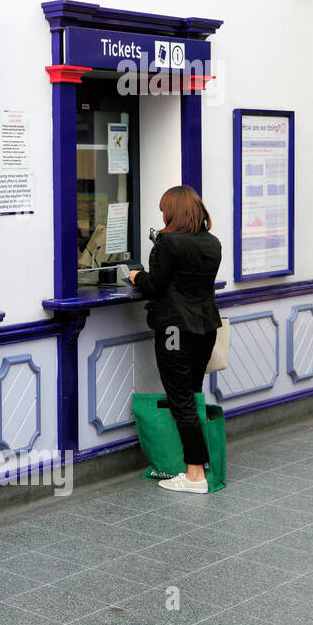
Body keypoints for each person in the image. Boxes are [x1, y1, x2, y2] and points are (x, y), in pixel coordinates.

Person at [128, 185, 222, 494]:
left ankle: (194, 475)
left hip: (173, 331)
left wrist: (135, 277)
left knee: (181, 400)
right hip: (205, 327)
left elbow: (155, 286)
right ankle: (200, 462)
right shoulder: (212, 242)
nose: (163, 216)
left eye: (165, 210)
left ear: (174, 212)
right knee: (192, 394)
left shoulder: (168, 243)